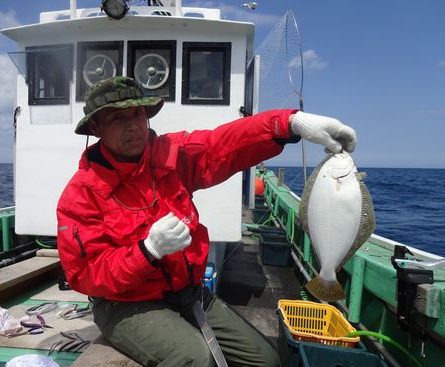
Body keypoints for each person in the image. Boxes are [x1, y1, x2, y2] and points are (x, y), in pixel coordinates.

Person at [56, 76, 356, 366]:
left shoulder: (171, 156)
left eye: (138, 113)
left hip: (190, 292)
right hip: (125, 304)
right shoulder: (80, 194)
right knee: (195, 359)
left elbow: (221, 146)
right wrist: (146, 251)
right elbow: (86, 274)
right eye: (118, 119)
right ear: (96, 128)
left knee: (266, 360)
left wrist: (289, 124)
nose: (134, 125)